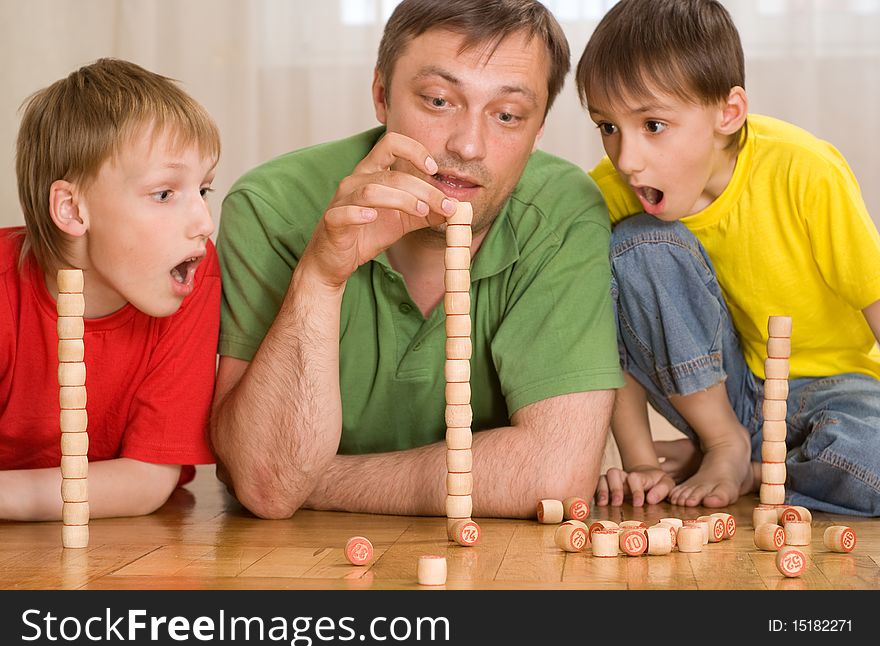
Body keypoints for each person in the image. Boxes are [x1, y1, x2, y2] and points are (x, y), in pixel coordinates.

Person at [211, 0, 622, 520]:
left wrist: (314, 479)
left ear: (538, 129)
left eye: (508, 116)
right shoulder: (270, 209)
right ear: (382, 95)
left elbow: (554, 477)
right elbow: (266, 486)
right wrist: (320, 276)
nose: (469, 145)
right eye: (437, 100)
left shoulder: (564, 209)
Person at [577, 0, 880, 514]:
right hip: (719, 392)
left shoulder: (805, 170)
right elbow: (600, 333)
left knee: (869, 457)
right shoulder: (606, 194)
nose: (626, 159)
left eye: (652, 125)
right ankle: (723, 443)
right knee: (640, 243)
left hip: (836, 391)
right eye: (608, 127)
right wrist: (640, 460)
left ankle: (750, 469)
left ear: (728, 112)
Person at [0, 58, 221, 521]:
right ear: (73, 210)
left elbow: (147, 481)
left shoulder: (192, 274)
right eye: (164, 194)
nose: (203, 223)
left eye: (203, 190)